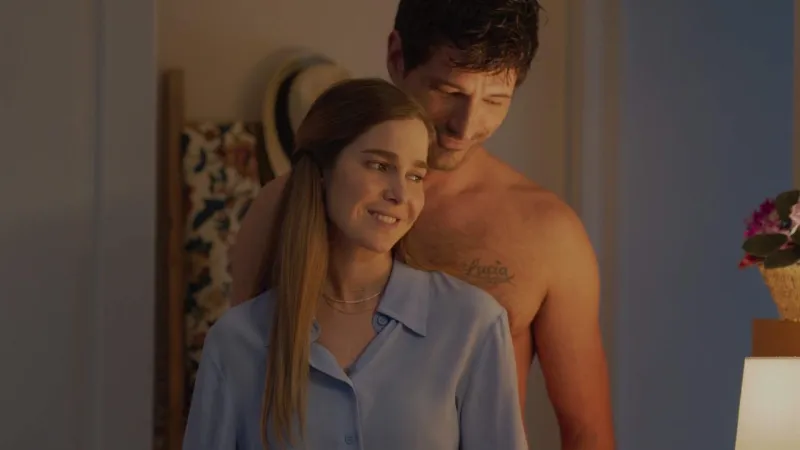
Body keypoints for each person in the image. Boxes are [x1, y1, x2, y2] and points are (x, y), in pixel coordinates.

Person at [232, 1, 616, 448]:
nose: (465, 126)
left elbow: (588, 432)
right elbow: (240, 389)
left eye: (496, 100)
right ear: (397, 57)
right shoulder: (284, 208)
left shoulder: (547, 235)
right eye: (448, 91)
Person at [184, 78, 528, 449]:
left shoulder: (472, 325)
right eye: (379, 165)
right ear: (322, 171)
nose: (400, 194)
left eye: (415, 175)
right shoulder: (238, 342)